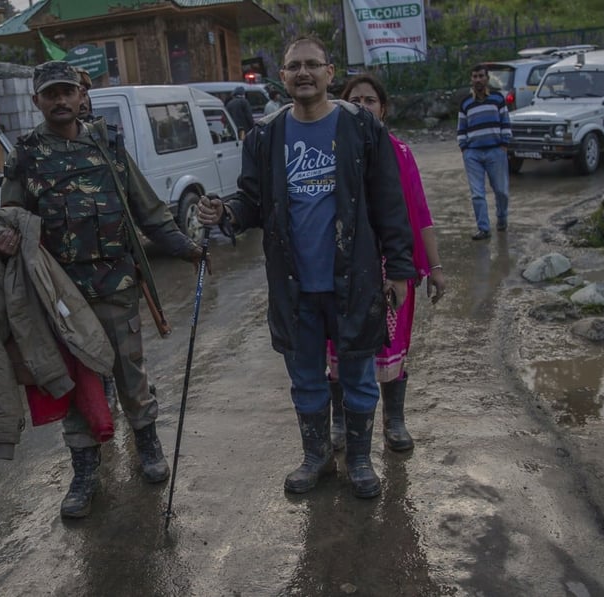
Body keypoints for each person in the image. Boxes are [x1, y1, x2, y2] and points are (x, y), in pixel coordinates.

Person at [198, 36, 416, 499]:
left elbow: (390, 204)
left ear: (330, 72)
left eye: (312, 65)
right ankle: (315, 456)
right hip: (294, 285)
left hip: (353, 279)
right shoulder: (265, 135)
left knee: (358, 375)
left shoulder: (361, 127)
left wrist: (398, 269)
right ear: (282, 76)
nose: (303, 73)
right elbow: (253, 199)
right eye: (294, 66)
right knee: (306, 379)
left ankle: (358, 459)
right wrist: (227, 213)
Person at [0, 61, 204, 519]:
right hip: (62, 295)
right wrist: (4, 235)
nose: (60, 100)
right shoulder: (27, 155)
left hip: (116, 284)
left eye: (67, 91)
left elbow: (146, 208)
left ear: (80, 94)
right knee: (75, 382)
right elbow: (10, 214)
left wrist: (185, 247)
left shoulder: (107, 145)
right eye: (50, 94)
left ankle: (148, 445)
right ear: (37, 101)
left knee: (129, 370)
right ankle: (85, 470)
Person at [326, 74, 446, 453]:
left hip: (392, 270)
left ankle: (394, 421)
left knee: (392, 346)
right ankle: (340, 422)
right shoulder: (327, 152)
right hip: (341, 270)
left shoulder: (401, 153)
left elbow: (420, 215)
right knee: (339, 346)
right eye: (354, 100)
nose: (363, 107)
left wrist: (435, 268)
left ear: (384, 108)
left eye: (370, 100)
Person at [457, 63, 511, 241]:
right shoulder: (465, 103)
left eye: (481, 76)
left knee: (501, 191)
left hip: (496, 151)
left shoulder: (497, 98)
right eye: (475, 76)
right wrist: (464, 148)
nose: (478, 79)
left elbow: (505, 122)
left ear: (487, 78)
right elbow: (461, 128)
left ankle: (502, 218)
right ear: (471, 79)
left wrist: (504, 144)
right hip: (473, 154)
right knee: (477, 193)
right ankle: (483, 228)